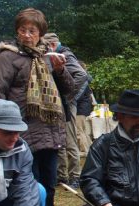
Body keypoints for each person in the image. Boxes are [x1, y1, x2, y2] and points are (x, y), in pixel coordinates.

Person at [0, 8, 75, 206]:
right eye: (22, 30)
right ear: (17, 32)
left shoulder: (48, 57)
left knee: (49, 179)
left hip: (50, 128)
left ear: (40, 33)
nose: (27, 35)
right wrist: (0, 127)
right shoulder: (8, 57)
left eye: (32, 31)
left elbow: (69, 91)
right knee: (29, 181)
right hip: (22, 128)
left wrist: (60, 70)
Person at [44, 32, 89, 189]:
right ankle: (62, 175)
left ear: (52, 45)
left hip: (66, 104)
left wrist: (69, 94)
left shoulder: (66, 55)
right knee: (58, 140)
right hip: (56, 104)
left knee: (70, 141)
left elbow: (82, 75)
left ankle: (75, 176)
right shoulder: (51, 57)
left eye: (45, 47)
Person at [75, 60, 96, 154]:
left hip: (80, 109)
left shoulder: (81, 81)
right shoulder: (86, 80)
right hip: (85, 108)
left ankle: (84, 151)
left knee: (79, 131)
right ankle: (91, 149)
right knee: (83, 130)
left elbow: (77, 97)